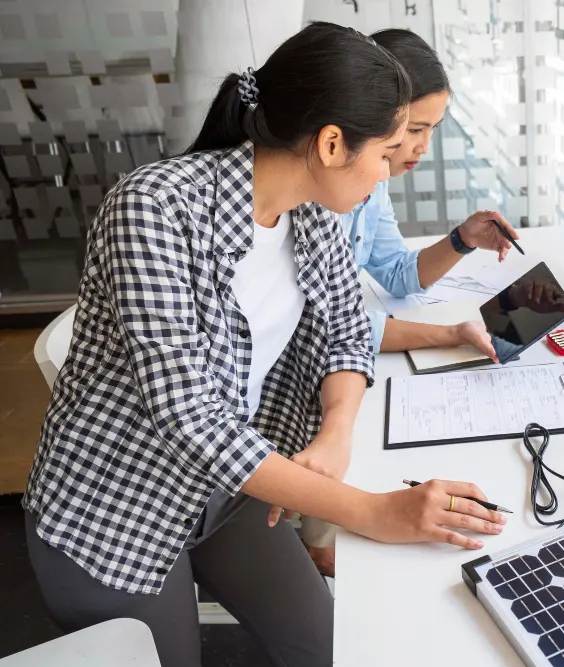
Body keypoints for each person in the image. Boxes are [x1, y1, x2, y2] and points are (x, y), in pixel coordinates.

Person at [21, 23, 505, 667]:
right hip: (118, 511)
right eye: (386, 153)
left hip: (231, 488)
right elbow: (189, 418)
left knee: (328, 643)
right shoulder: (152, 209)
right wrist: (371, 511)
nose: (391, 170)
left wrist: (336, 434)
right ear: (332, 143)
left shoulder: (316, 212)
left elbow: (345, 328)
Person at [298, 28, 520, 576]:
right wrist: (446, 335)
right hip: (300, 402)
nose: (420, 147)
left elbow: (395, 275)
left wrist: (463, 239)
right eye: (412, 129)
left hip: (336, 386)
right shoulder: (316, 196)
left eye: (430, 130)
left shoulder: (369, 184)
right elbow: (329, 329)